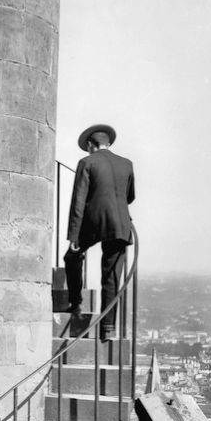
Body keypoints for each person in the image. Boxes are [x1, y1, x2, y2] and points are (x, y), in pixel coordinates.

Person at [64, 124, 135, 340]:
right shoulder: (127, 163)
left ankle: (76, 304)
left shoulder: (86, 162)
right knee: (112, 277)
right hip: (121, 224)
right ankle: (107, 329)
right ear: (108, 143)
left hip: (94, 223)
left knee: (72, 257)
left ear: (89, 145)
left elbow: (78, 202)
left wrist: (74, 236)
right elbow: (130, 196)